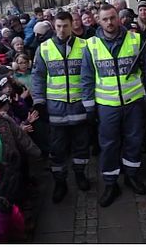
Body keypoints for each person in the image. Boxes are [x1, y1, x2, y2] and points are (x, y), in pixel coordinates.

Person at [81, 3, 146, 207]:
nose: (109, 22)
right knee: (108, 145)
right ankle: (110, 183)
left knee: (134, 140)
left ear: (119, 18)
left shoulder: (135, 39)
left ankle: (132, 176)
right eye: (105, 19)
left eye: (112, 18)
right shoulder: (91, 45)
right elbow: (87, 78)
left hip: (133, 103)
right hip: (107, 106)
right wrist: (89, 108)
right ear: (98, 20)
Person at [32, 11, 91, 203]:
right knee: (57, 150)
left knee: (81, 146)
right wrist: (39, 101)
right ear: (53, 25)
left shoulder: (85, 46)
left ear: (72, 25)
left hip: (79, 107)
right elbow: (38, 77)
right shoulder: (44, 48)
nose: (61, 30)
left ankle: (80, 175)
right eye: (58, 26)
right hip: (56, 110)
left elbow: (92, 76)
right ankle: (60, 182)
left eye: (65, 26)